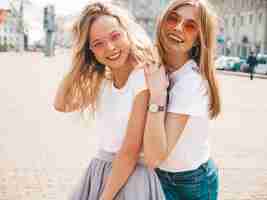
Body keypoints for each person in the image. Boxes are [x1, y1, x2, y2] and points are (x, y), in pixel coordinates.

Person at [54, 2, 165, 200]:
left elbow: (130, 151)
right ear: (90, 51)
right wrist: (77, 62)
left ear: (126, 32)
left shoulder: (142, 78)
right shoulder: (103, 81)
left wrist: (105, 197)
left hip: (130, 179)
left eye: (115, 36)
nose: (110, 48)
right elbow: (61, 104)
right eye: (98, 44)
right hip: (100, 171)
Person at [143, 0, 221, 199]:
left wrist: (158, 95)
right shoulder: (154, 65)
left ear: (198, 39)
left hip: (189, 183)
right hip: (162, 174)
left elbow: (154, 157)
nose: (178, 28)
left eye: (190, 25)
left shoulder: (191, 83)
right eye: (173, 19)